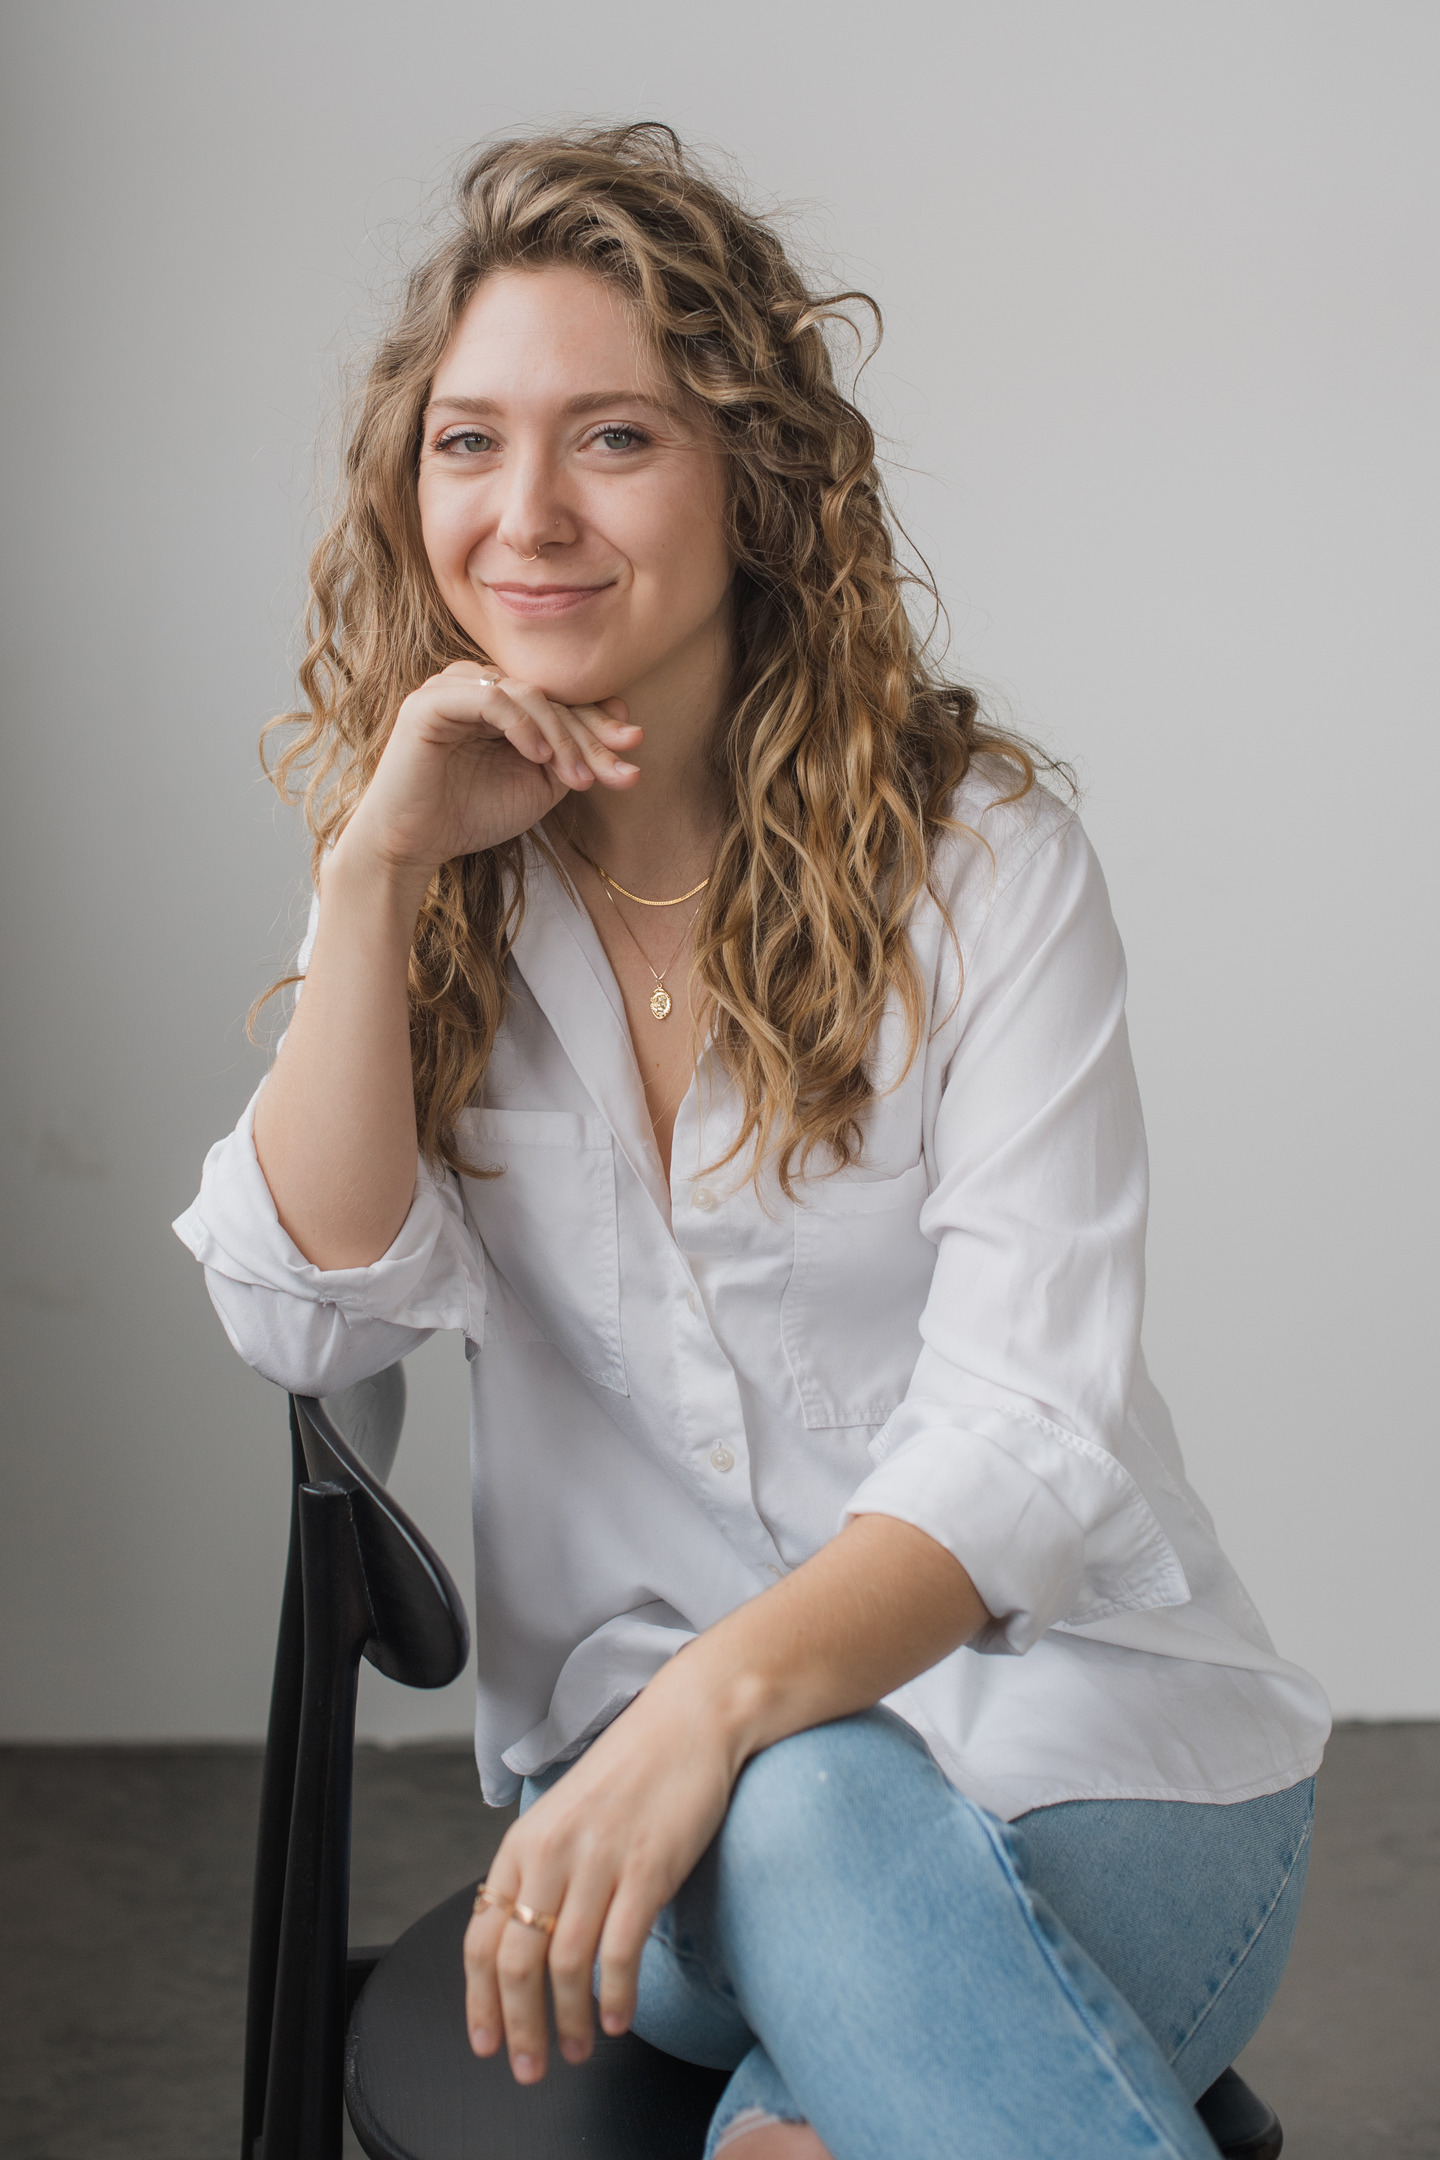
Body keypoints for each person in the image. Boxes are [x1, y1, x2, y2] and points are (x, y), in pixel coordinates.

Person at [175, 123, 1329, 2160]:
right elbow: (303, 1314)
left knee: (801, 2094)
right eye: (466, 444)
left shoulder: (983, 869)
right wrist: (367, 878)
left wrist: (719, 1706)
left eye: (610, 438)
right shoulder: (435, 868)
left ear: (752, 480)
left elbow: (1027, 1440)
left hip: (1098, 1757)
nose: (524, 512)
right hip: (656, 1851)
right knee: (799, 1811)